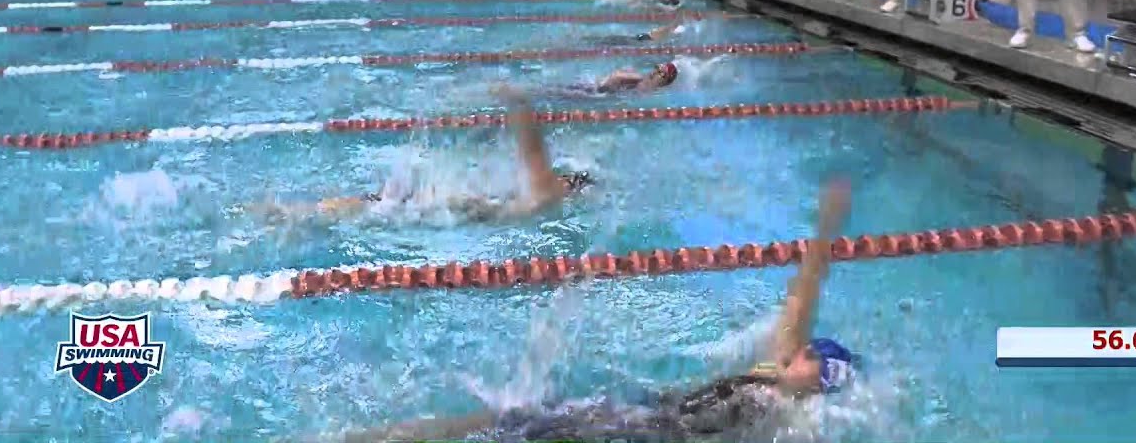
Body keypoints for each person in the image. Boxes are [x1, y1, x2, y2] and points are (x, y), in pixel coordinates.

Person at [338, 182, 855, 443]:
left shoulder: (794, 419)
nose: (804, 354)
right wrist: (826, 230)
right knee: (517, 419)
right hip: (645, 414)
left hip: (650, 430)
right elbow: (800, 296)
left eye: (816, 360)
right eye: (809, 351)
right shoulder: (774, 371)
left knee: (517, 422)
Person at [263, 89, 592, 224]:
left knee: (374, 204)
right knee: (373, 205)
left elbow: (533, 152)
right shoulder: (536, 201)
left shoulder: (546, 195)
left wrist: (519, 103)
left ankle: (289, 213)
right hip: (449, 209)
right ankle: (294, 213)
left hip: (450, 209)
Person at [555, 61, 679, 97]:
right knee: (554, 93)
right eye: (656, 69)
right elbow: (616, 76)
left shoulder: (654, 92)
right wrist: (602, 89)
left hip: (598, 94)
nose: (654, 72)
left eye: (660, 73)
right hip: (593, 91)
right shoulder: (640, 78)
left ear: (666, 81)